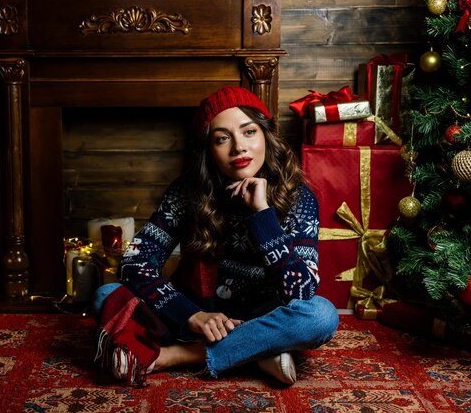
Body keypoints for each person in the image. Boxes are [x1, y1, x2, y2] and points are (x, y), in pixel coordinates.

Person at [93, 86, 339, 387]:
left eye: (249, 132)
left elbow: (301, 292)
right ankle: (259, 353)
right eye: (222, 138)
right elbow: (134, 263)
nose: (238, 148)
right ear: (209, 148)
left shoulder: (299, 198)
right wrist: (191, 315)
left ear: (266, 136)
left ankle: (182, 355)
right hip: (196, 317)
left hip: (264, 318)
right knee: (106, 296)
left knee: (321, 316)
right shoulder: (187, 192)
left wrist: (262, 217)